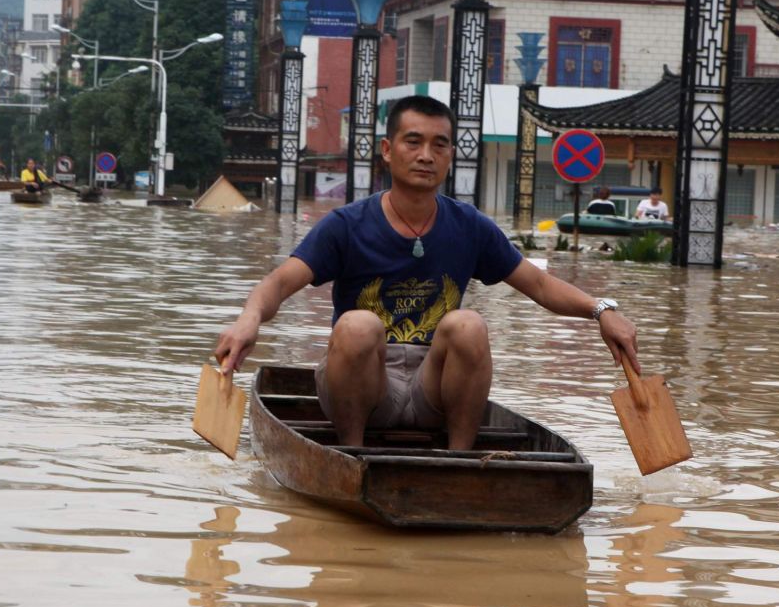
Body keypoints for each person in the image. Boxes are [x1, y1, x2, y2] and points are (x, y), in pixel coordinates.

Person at [214, 95, 638, 452]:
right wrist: (248, 319)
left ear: (450, 155)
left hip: (434, 386)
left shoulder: (469, 226)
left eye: (439, 145)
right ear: (386, 149)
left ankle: (458, 465)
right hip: (365, 385)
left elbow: (540, 284)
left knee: (468, 324)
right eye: (413, 142)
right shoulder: (347, 224)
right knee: (358, 324)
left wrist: (601, 310)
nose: (425, 156)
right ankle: (350, 455)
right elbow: (280, 282)